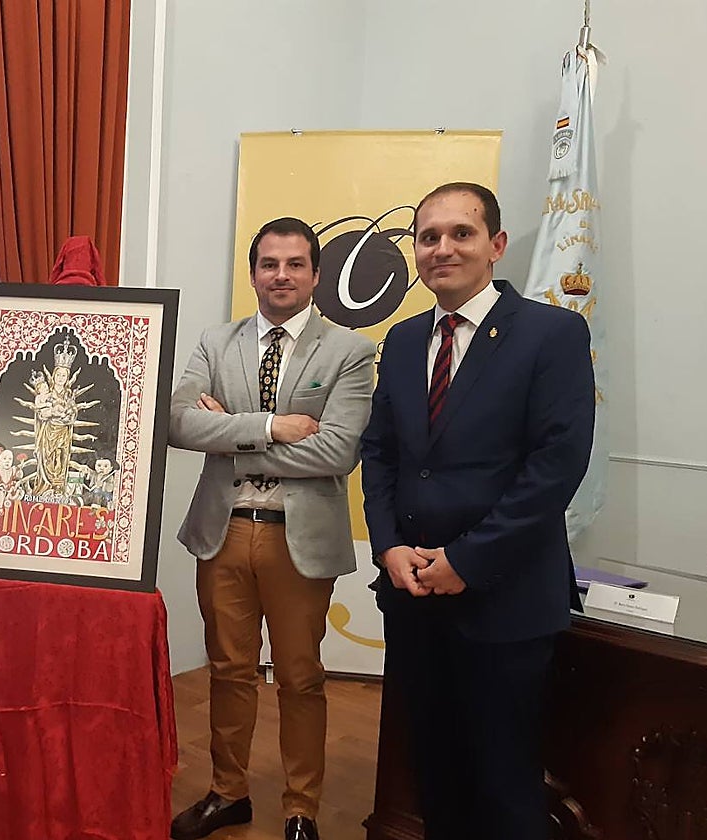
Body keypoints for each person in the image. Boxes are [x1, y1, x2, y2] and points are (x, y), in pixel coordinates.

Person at [360, 182, 595, 840]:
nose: (442, 248)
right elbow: (380, 454)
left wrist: (468, 560)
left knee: (505, 784)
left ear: (495, 245)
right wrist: (386, 545)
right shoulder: (404, 341)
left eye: (460, 233)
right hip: (414, 598)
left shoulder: (551, 333)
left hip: (505, 601)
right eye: (428, 236)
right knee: (434, 776)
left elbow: (555, 467)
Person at [168, 217, 375, 840]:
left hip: (298, 539)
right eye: (268, 264)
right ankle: (228, 792)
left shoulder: (351, 350)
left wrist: (229, 430)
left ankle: (301, 808)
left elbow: (337, 453)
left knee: (300, 676)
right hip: (222, 531)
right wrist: (271, 426)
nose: (280, 275)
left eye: (294, 264)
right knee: (228, 671)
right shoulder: (215, 342)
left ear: (315, 273)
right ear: (253, 271)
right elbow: (176, 423)